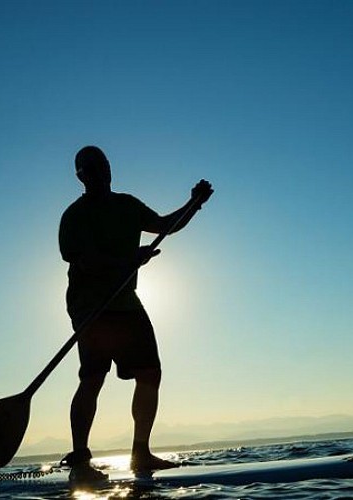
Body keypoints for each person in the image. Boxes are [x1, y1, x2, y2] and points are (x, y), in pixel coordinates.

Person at [58, 145, 213, 482]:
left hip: (126, 303)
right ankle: (81, 459)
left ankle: (140, 453)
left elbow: (164, 225)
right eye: (89, 168)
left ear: (110, 169)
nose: (98, 172)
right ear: (80, 176)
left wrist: (194, 204)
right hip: (90, 307)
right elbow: (82, 260)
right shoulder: (74, 216)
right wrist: (129, 260)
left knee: (150, 373)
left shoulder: (128, 205)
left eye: (102, 165)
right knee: (92, 377)